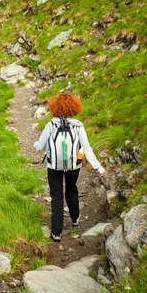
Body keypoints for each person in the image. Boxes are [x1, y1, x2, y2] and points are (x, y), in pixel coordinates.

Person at [34, 93, 106, 242]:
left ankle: (56, 232)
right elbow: (87, 149)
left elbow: (40, 146)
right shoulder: (78, 126)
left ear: (54, 107)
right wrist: (99, 168)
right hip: (74, 166)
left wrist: (35, 145)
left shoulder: (50, 125)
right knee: (72, 188)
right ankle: (75, 218)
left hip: (54, 166)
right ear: (74, 107)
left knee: (56, 196)